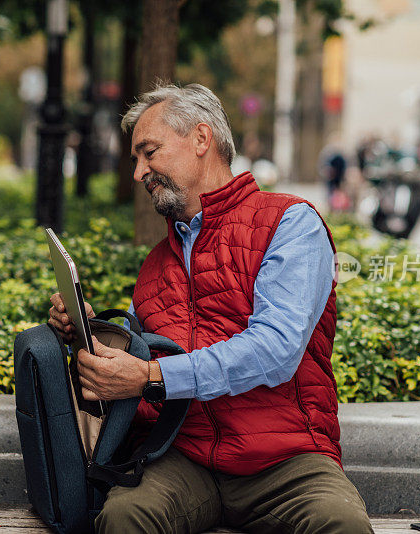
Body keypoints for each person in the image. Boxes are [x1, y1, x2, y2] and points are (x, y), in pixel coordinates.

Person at [48, 83, 372, 534]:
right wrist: (83, 327)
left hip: (285, 460)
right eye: (136, 160)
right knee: (124, 518)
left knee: (340, 525)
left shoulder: (291, 223)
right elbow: (138, 352)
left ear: (202, 139)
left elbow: (275, 350)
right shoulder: (156, 263)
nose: (139, 171)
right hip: (182, 456)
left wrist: (151, 379)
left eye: (149, 152)